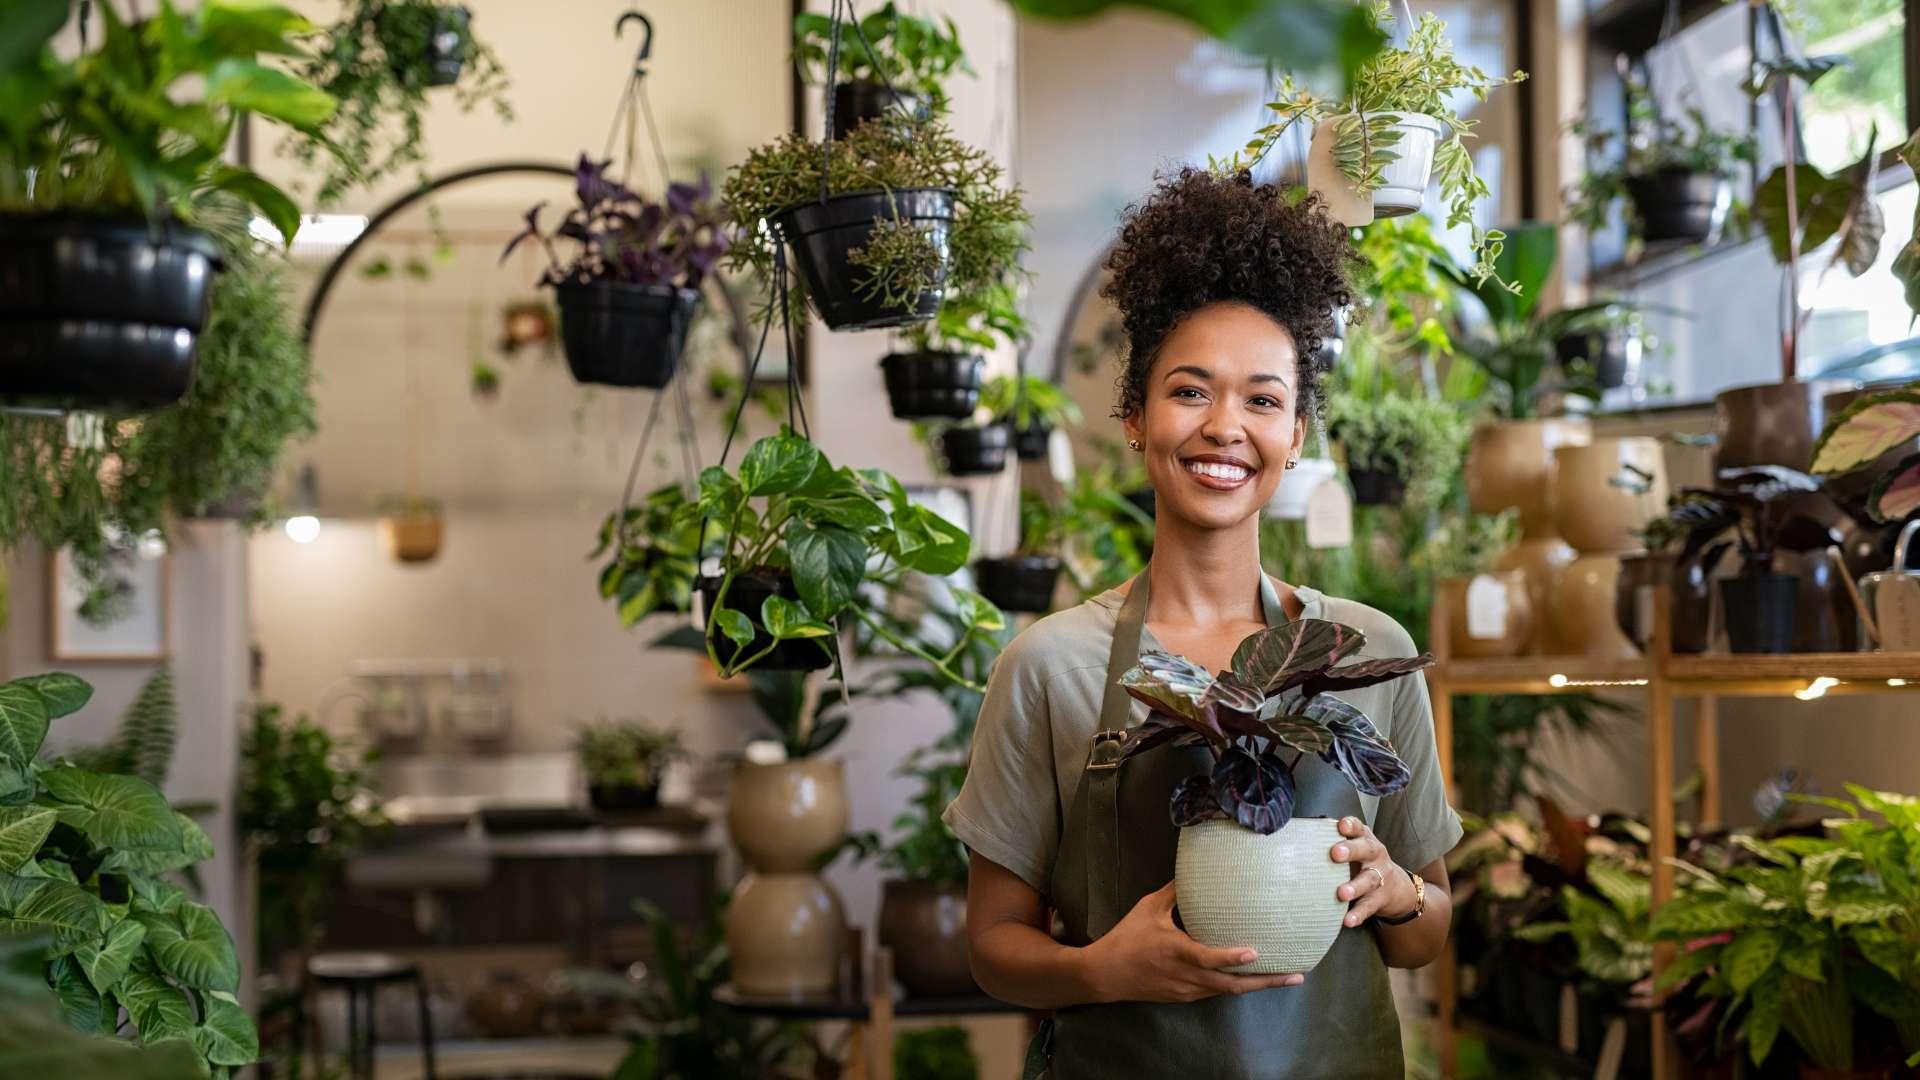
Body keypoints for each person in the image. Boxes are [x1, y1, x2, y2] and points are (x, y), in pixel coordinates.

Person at [941, 168, 1461, 1079]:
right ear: (1136, 418)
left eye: (1262, 400)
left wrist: (1398, 890)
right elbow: (992, 946)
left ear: (1296, 434)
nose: (1226, 427)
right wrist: (1100, 971)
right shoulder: (1051, 666)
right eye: (1191, 392)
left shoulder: (1369, 652)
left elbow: (1426, 938)